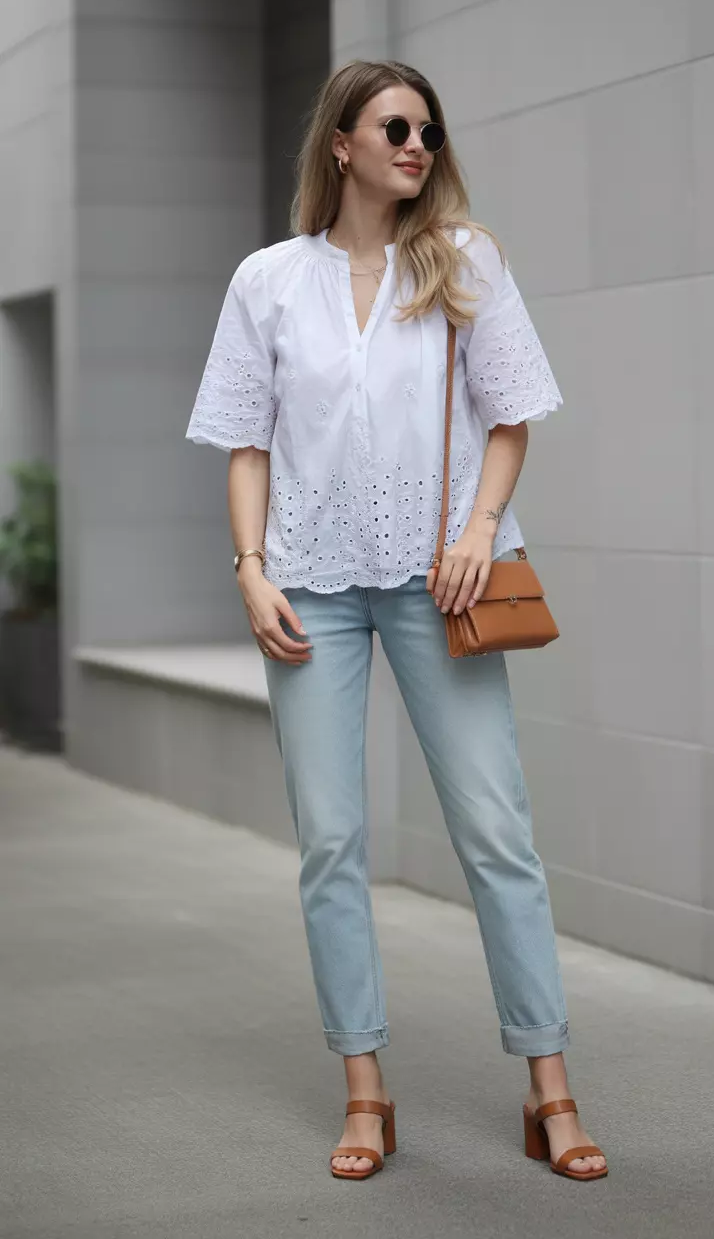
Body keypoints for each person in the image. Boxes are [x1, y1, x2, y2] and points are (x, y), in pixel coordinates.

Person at [185, 59, 608, 1183]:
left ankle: (549, 1087)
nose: (417, 144)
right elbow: (247, 440)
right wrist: (249, 567)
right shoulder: (269, 281)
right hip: (309, 583)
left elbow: (513, 416)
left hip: (443, 582)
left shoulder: (466, 260)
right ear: (343, 145)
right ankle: (365, 1088)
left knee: (496, 834)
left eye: (427, 129)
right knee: (331, 842)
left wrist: (478, 529)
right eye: (394, 127)